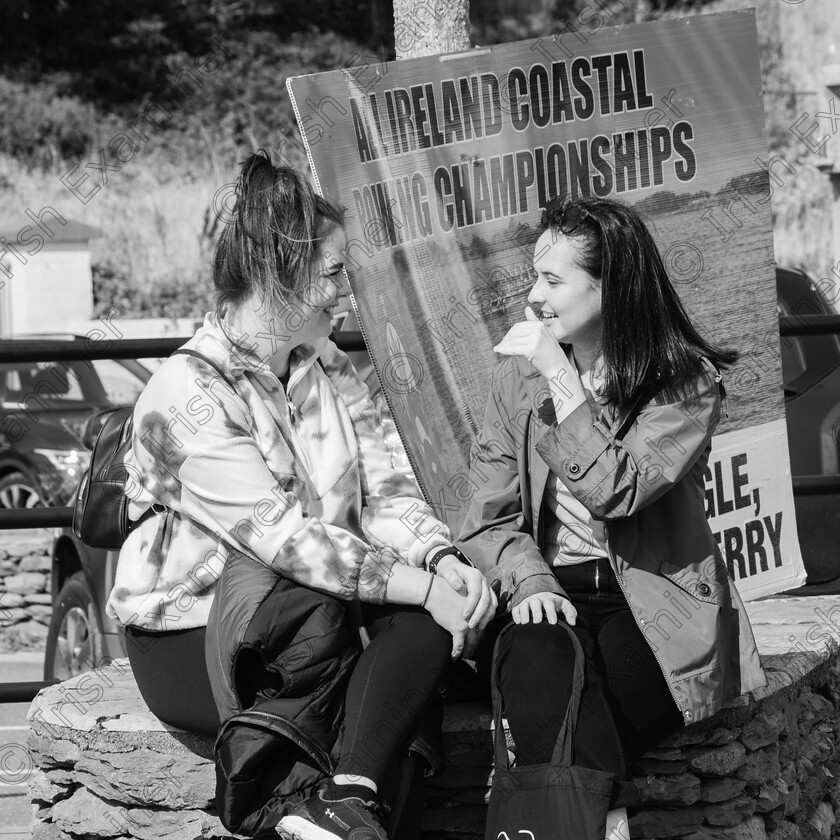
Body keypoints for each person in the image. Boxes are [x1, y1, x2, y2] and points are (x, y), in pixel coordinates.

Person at [104, 150, 496, 840]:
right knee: (388, 686)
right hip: (195, 634)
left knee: (410, 646)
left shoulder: (328, 365)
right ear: (280, 273)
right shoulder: (186, 392)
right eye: (337, 273)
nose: (349, 292)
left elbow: (388, 489)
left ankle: (347, 800)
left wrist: (440, 564)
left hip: (317, 616)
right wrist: (417, 587)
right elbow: (284, 540)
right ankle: (346, 795)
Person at [457, 194, 767, 831]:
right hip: (548, 591)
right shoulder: (515, 380)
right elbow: (486, 518)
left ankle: (588, 819)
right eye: (534, 278)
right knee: (539, 657)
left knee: (578, 708)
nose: (534, 298)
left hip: (652, 604)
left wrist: (561, 382)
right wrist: (530, 577)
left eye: (552, 280)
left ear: (609, 285)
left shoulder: (684, 383)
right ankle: (610, 824)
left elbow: (616, 489)